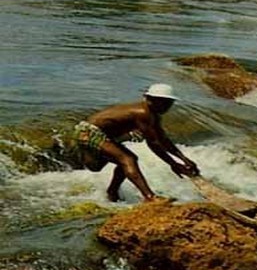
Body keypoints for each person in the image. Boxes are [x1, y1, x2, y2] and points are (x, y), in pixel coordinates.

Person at [71, 83, 200, 202]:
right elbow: (154, 144)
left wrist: (184, 159)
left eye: (169, 103)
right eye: (162, 102)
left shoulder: (153, 115)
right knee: (128, 160)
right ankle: (150, 197)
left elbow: (163, 140)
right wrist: (173, 164)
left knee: (116, 163)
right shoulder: (143, 113)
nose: (166, 106)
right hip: (89, 132)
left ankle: (112, 193)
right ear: (149, 100)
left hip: (102, 135)